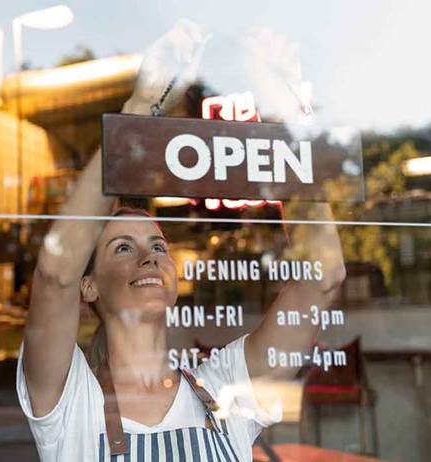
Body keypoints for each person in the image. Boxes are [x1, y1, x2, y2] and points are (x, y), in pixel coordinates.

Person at [17, 21, 346, 461]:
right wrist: (139, 105)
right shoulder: (68, 397)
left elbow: (322, 277)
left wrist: (279, 114)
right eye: (122, 248)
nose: (149, 258)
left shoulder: (223, 387)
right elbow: (55, 272)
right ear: (88, 285)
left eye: (157, 247)